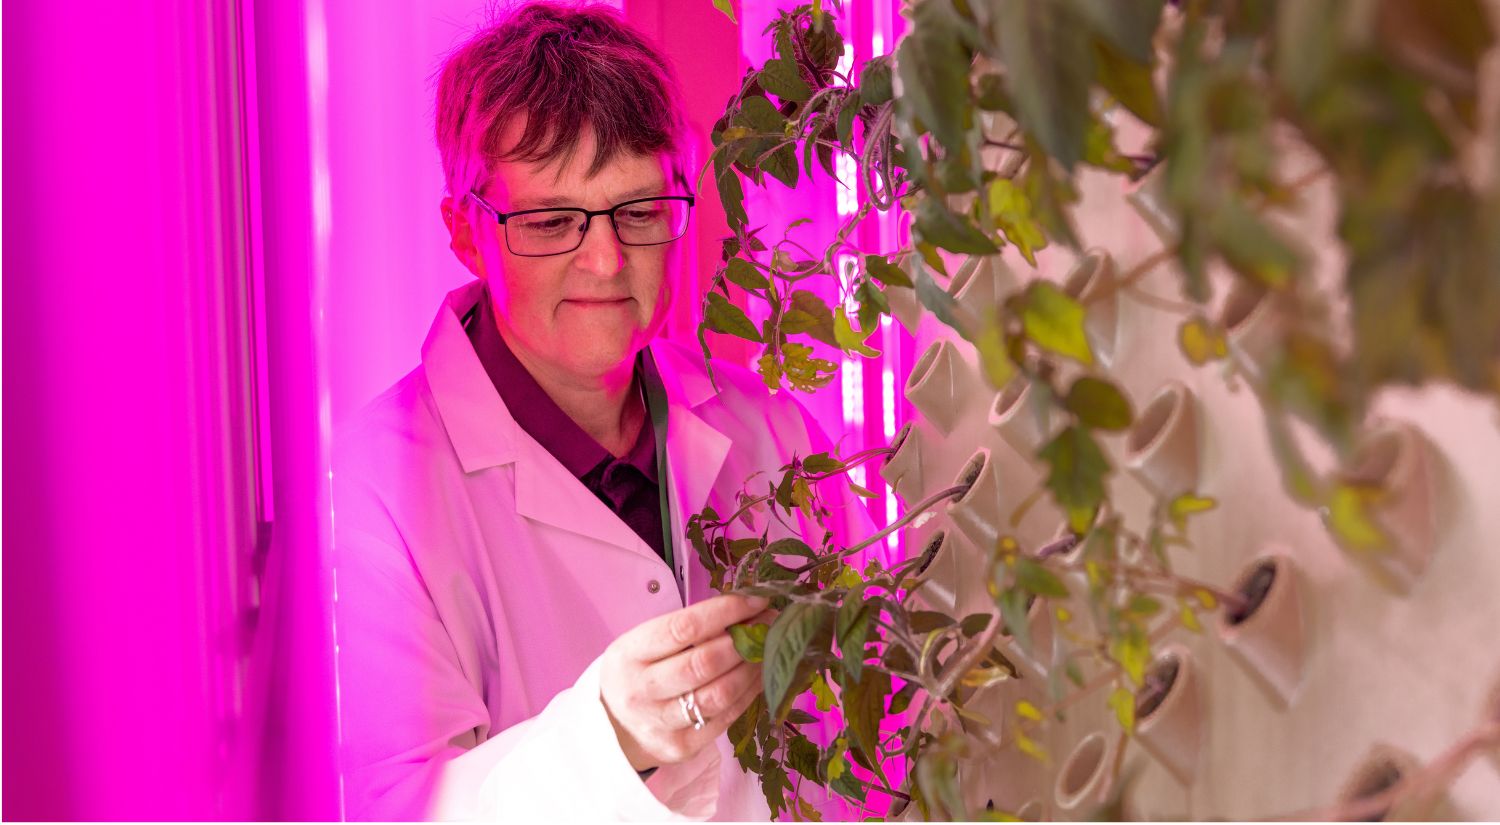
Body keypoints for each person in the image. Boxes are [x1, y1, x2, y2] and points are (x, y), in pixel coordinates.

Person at [331, 3, 871, 819]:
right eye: (551, 221)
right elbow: (396, 807)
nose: (607, 259)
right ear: (466, 233)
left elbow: (866, 724)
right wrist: (607, 736)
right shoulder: (371, 496)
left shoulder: (774, 432)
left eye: (640, 211)